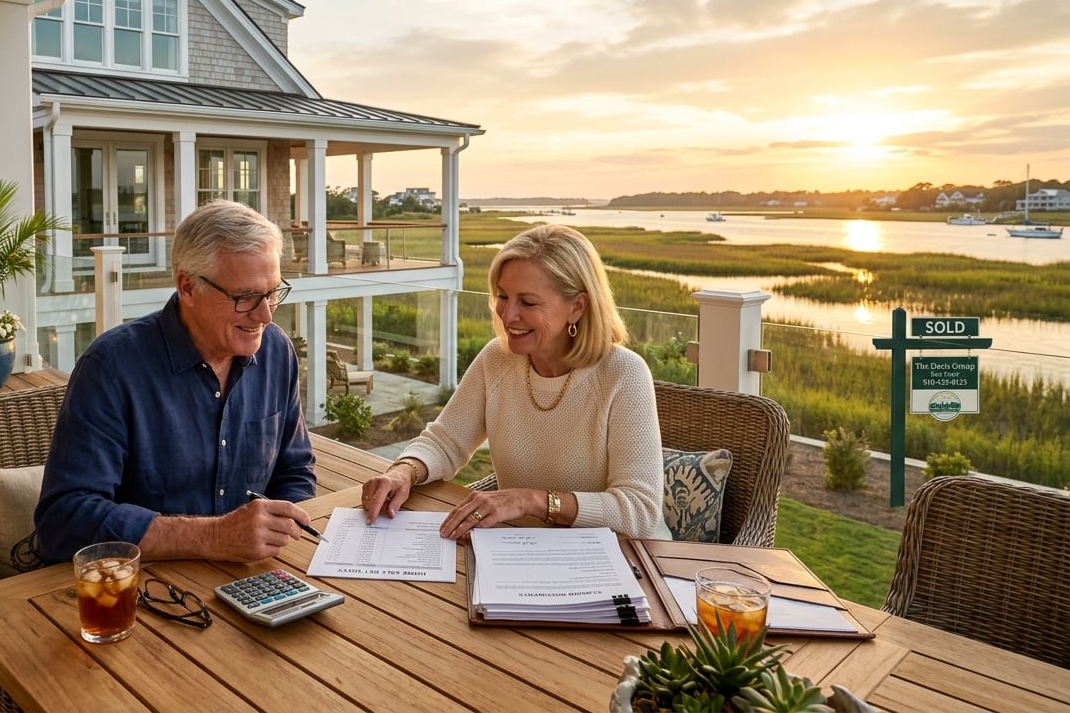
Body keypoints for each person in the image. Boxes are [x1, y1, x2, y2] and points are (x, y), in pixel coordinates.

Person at [36, 200, 317, 563]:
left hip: (253, 578)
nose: (264, 314)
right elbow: (64, 521)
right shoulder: (111, 368)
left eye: (273, 292)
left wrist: (281, 537)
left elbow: (294, 471)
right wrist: (214, 537)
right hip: (148, 591)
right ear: (187, 286)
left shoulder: (277, 351)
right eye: (245, 297)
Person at [361, 224, 671, 540]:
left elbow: (640, 511)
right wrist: (404, 471)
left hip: (624, 561)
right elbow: (446, 441)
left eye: (528, 302)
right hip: (524, 549)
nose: (508, 315)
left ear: (577, 307)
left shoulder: (623, 374)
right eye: (503, 296)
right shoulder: (498, 358)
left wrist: (529, 500)